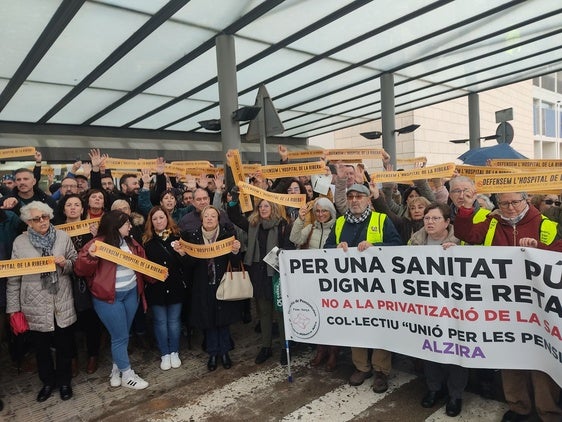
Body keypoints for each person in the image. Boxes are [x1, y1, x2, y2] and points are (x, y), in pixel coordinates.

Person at [454, 190, 562, 422]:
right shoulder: (491, 222)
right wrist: (466, 208)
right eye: (504, 203)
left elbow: (558, 255)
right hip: (503, 305)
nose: (510, 207)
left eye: (515, 202)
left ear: (526, 200)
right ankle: (518, 406)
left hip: (538, 307)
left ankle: (548, 412)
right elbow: (467, 234)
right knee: (510, 354)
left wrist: (538, 250)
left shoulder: (546, 224)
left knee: (541, 360)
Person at [324, 183, 401, 393]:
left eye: (359, 196)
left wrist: (376, 248)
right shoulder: (340, 223)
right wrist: (335, 248)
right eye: (351, 197)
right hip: (350, 289)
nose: (355, 200)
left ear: (368, 199)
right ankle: (361, 367)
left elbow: (398, 246)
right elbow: (326, 248)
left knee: (379, 327)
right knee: (356, 325)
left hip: (378, 288)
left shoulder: (381, 220)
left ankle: (380, 371)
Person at [6, 201, 77, 402]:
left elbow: (76, 262)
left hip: (60, 301)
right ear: (29, 222)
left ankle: (64, 382)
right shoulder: (20, 242)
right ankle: (47, 382)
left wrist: (66, 264)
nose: (42, 221)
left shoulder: (62, 236)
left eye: (45, 217)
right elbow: (14, 278)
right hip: (34, 304)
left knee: (64, 345)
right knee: (42, 348)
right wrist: (14, 309)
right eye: (37, 219)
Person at [74, 210, 149, 390]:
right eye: (127, 224)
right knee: (120, 336)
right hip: (108, 298)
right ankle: (128, 375)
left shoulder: (131, 242)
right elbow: (80, 269)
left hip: (131, 294)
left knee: (122, 334)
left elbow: (144, 264)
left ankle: (117, 368)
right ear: (116, 226)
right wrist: (91, 256)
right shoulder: (96, 244)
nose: (130, 226)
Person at [409, 203, 466, 417]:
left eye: (435, 218)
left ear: (447, 222)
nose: (429, 222)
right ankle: (434, 388)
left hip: (454, 309)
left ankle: (455, 394)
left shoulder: (461, 242)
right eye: (426, 218)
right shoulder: (415, 240)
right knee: (430, 347)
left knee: (455, 350)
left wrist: (458, 253)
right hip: (426, 306)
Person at [227, 198, 293, 365]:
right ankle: (266, 346)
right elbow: (234, 216)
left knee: (280, 312)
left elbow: (289, 248)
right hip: (259, 273)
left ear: (274, 208)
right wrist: (233, 198)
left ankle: (286, 347)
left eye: (267, 206)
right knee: (263, 312)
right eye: (260, 206)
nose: (263, 209)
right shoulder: (253, 224)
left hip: (276, 274)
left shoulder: (282, 225)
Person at [181, 205, 242, 371]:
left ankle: (225, 352)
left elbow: (235, 263)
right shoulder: (193, 237)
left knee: (223, 319)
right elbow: (188, 266)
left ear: (218, 219)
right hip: (202, 285)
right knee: (208, 320)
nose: (209, 218)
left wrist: (236, 252)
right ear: (201, 219)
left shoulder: (226, 235)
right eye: (206, 216)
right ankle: (213, 353)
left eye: (213, 216)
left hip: (222, 283)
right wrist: (183, 255)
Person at [55, 194, 102, 375]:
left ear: (83, 209)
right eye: (69, 205)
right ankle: (72, 358)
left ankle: (93, 356)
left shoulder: (90, 228)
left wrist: (97, 237)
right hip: (64, 281)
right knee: (68, 324)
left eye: (77, 205)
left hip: (88, 282)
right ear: (64, 209)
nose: (73, 208)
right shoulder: (56, 231)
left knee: (91, 319)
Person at [289, 198, 339, 370]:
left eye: (324, 211)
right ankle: (320, 351)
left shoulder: (337, 229)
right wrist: (300, 219)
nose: (320, 214)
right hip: (312, 283)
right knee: (316, 315)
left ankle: (333, 353)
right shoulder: (310, 229)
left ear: (331, 212)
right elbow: (294, 238)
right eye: (317, 211)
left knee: (331, 318)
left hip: (332, 283)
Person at [142, 206, 188, 371]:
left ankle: (174, 351)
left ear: (167, 219)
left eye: (161, 217)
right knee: (160, 322)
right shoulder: (146, 241)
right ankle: (165, 353)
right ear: (151, 222)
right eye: (155, 219)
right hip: (156, 287)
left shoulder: (178, 236)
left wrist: (182, 253)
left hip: (175, 285)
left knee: (174, 322)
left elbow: (186, 263)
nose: (158, 221)